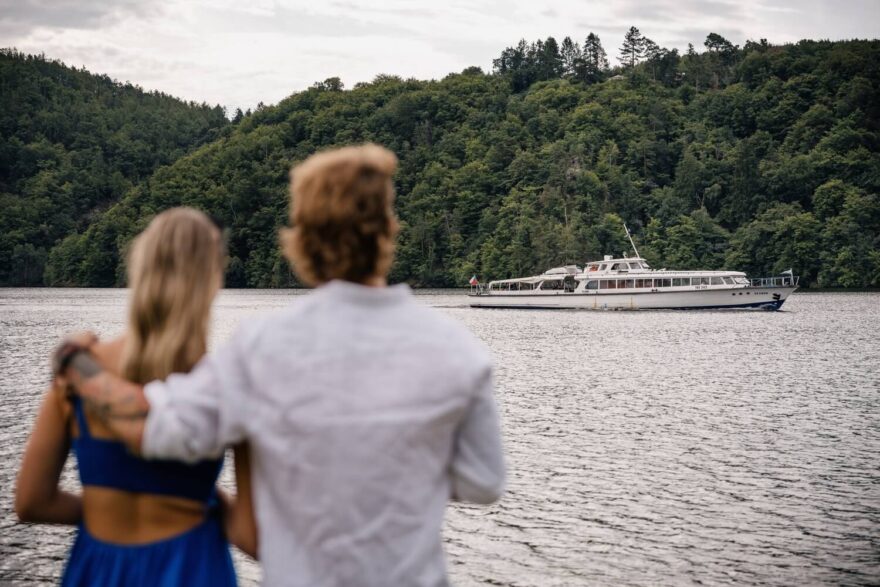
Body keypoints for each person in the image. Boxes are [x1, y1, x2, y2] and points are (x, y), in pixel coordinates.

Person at [56, 144, 505, 586]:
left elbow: (146, 424)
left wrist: (76, 363)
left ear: (301, 238)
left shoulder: (261, 348)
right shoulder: (456, 350)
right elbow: (483, 482)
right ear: (388, 227)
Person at [16, 208, 256, 587]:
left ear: (140, 271)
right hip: (193, 566)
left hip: (99, 567)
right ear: (210, 281)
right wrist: (203, 499)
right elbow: (251, 536)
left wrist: (99, 510)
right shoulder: (222, 388)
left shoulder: (76, 374)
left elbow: (31, 501)